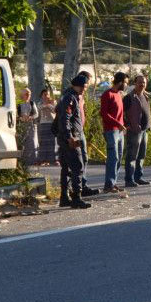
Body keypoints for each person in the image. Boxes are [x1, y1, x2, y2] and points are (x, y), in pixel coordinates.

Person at [55, 74, 92, 209]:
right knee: (78, 166)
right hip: (70, 138)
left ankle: (64, 197)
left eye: (85, 87)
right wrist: (69, 136)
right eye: (83, 86)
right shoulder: (70, 98)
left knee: (66, 168)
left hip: (66, 136)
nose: (84, 89)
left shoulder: (68, 96)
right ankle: (76, 197)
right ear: (77, 85)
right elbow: (65, 118)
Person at [99, 72, 128, 195]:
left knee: (119, 157)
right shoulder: (108, 94)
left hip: (120, 131)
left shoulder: (118, 95)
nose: (126, 85)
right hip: (111, 130)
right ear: (120, 82)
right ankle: (108, 185)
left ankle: (113, 183)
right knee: (113, 157)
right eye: (126, 82)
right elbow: (104, 114)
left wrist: (123, 125)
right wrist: (118, 123)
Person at [123, 74, 151, 187]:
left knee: (141, 155)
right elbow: (122, 113)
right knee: (132, 156)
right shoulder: (129, 97)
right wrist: (128, 125)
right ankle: (129, 179)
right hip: (134, 131)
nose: (142, 84)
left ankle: (138, 177)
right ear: (135, 83)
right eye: (139, 82)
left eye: (143, 82)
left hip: (145, 130)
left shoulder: (145, 96)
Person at [17, 88, 39, 165]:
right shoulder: (18, 104)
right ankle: (23, 161)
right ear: (22, 95)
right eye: (26, 94)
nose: (28, 95)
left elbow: (36, 114)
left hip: (31, 125)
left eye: (29, 94)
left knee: (32, 142)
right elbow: (16, 115)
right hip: (22, 126)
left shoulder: (32, 103)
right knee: (23, 143)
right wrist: (21, 118)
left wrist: (30, 117)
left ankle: (33, 161)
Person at [37, 87, 58, 165]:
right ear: (42, 96)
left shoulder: (53, 102)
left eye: (48, 94)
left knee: (52, 142)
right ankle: (43, 160)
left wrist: (49, 105)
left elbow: (55, 110)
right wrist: (46, 105)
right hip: (43, 123)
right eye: (45, 95)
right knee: (43, 142)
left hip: (52, 123)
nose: (46, 96)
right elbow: (39, 109)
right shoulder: (39, 103)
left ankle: (54, 160)